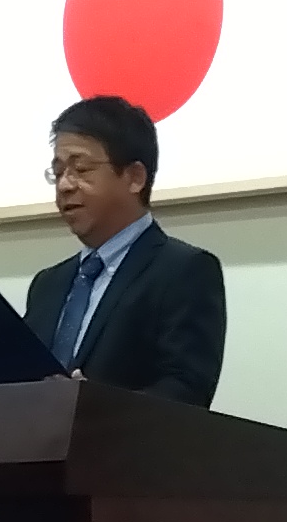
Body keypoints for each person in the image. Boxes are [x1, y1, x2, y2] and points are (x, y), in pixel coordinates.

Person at [21, 95, 226, 407]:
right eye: (58, 172)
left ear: (135, 178)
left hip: (127, 440)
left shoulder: (185, 271)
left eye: (81, 168)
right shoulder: (48, 284)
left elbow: (187, 390)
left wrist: (96, 408)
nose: (64, 185)